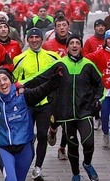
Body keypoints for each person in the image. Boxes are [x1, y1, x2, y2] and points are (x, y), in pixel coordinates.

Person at [23, 33, 105, 181]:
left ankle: (87, 163)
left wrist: (97, 100)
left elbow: (100, 85)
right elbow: (41, 77)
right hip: (66, 113)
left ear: (81, 46)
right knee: (72, 146)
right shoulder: (60, 65)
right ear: (67, 47)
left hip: (84, 111)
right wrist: (21, 85)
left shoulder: (88, 65)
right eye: (71, 43)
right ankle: (75, 175)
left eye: (77, 43)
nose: (74, 45)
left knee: (88, 143)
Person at [13, 28, 61, 181]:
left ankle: (38, 167)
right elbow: (14, 82)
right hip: (27, 103)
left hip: (46, 103)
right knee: (27, 137)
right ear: (27, 40)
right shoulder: (19, 59)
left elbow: (60, 77)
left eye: (37, 37)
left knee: (41, 134)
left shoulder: (53, 57)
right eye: (31, 37)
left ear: (42, 39)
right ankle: (26, 162)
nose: (34, 40)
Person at [42, 15, 70, 160]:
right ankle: (52, 130)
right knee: (55, 117)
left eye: (64, 25)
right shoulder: (48, 45)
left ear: (68, 27)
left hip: (70, 86)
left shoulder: (74, 42)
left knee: (68, 119)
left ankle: (62, 148)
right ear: (55, 28)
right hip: (54, 87)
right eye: (58, 25)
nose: (61, 28)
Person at [82, 18, 106, 131]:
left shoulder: (109, 40)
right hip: (93, 73)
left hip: (107, 73)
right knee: (94, 97)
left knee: (106, 99)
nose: (100, 28)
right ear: (95, 28)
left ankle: (105, 118)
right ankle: (97, 117)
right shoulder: (90, 41)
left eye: (102, 26)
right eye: (98, 26)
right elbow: (85, 55)